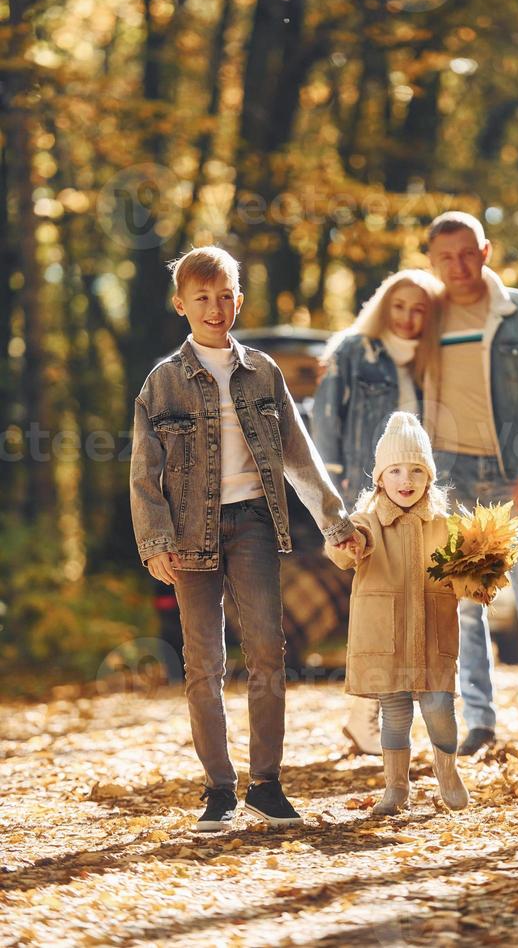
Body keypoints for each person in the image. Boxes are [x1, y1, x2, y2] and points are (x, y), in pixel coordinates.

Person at [130, 245, 358, 831]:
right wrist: (156, 541)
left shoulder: (263, 372)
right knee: (202, 662)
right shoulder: (162, 384)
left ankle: (268, 784)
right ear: (182, 305)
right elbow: (143, 472)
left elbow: (298, 455)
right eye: (202, 298)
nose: (215, 307)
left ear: (239, 301)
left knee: (268, 654)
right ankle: (218, 789)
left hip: (253, 523)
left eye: (225, 296)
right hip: (188, 537)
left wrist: (335, 521)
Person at [424, 211, 518, 758]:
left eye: (468, 253)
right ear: (432, 263)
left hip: (517, 474)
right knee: (465, 602)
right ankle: (480, 725)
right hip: (453, 475)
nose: (458, 265)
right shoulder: (426, 317)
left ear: (486, 251)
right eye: (446, 257)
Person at [312, 269, 444, 756]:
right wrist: (336, 503)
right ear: (383, 306)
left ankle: (374, 716)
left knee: (412, 601)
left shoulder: (430, 360)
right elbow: (325, 426)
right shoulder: (353, 350)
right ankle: (364, 713)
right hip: (367, 498)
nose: (408, 319)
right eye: (400, 307)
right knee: (375, 606)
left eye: (419, 310)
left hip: (414, 498)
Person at [326, 412, 469, 815]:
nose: (406, 480)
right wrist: (347, 544)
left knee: (440, 707)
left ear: (428, 478)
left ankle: (447, 772)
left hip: (433, 635)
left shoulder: (443, 526)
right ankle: (396, 788)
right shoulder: (368, 522)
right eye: (395, 471)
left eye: (416, 471)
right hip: (385, 639)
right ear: (380, 478)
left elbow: (465, 575)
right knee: (395, 713)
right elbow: (344, 544)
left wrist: (478, 577)